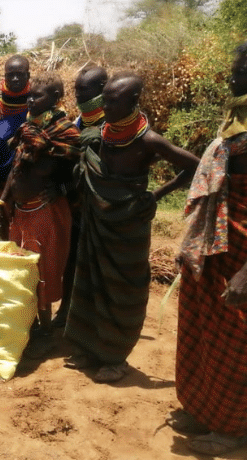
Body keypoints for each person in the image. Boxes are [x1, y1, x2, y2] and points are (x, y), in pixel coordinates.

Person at [63, 70, 199, 383]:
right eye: (105, 100)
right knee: (90, 281)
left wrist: (157, 195)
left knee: (122, 289)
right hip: (98, 220)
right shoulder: (104, 130)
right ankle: (87, 347)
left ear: (133, 101)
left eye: (113, 101)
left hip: (128, 225)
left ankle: (115, 357)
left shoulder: (148, 140)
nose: (106, 107)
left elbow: (193, 165)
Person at [169, 42, 247, 456]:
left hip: (241, 252)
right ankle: (204, 409)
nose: (234, 77)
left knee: (235, 339)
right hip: (216, 244)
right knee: (203, 329)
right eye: (235, 69)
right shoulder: (235, 121)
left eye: (243, 70)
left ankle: (233, 430)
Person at [0, 72, 81, 338]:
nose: (30, 100)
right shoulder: (28, 130)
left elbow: (81, 165)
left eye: (37, 95)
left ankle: (46, 330)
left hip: (46, 213)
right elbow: (16, 170)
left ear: (55, 98)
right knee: (23, 271)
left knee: (43, 272)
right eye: (30, 95)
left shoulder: (63, 132)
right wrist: (1, 204)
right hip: (22, 213)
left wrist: (63, 188)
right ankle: (30, 325)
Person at [53, 64, 108, 328]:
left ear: (102, 89)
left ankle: (90, 320)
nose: (79, 95)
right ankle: (66, 310)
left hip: (102, 208)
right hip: (76, 205)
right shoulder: (78, 122)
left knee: (95, 265)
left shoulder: (113, 123)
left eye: (84, 90)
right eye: (76, 90)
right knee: (71, 260)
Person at [0, 54, 31, 197]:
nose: (15, 79)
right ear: (4, 77)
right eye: (10, 75)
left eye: (20, 74)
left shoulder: (36, 110)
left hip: (28, 185)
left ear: (28, 75)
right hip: (0, 182)